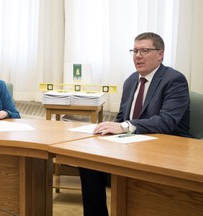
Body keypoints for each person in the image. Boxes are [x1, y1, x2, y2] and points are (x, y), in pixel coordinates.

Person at [79, 32, 191, 216]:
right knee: (87, 160)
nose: (138, 56)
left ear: (160, 54)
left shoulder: (174, 80)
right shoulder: (131, 80)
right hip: (132, 145)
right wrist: (108, 130)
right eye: (135, 51)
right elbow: (122, 117)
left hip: (165, 149)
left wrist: (124, 127)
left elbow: (167, 122)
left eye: (145, 50)